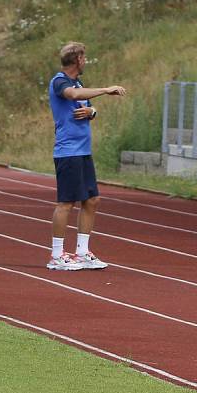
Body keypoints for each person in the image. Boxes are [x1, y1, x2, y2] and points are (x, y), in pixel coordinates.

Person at [47, 42, 126, 271]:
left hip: (83, 151)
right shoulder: (60, 81)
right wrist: (105, 89)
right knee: (66, 203)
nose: (85, 62)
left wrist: (93, 112)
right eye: (84, 58)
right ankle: (57, 255)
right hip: (68, 152)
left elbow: (86, 105)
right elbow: (72, 95)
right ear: (77, 59)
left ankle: (82, 252)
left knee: (92, 200)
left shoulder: (78, 82)